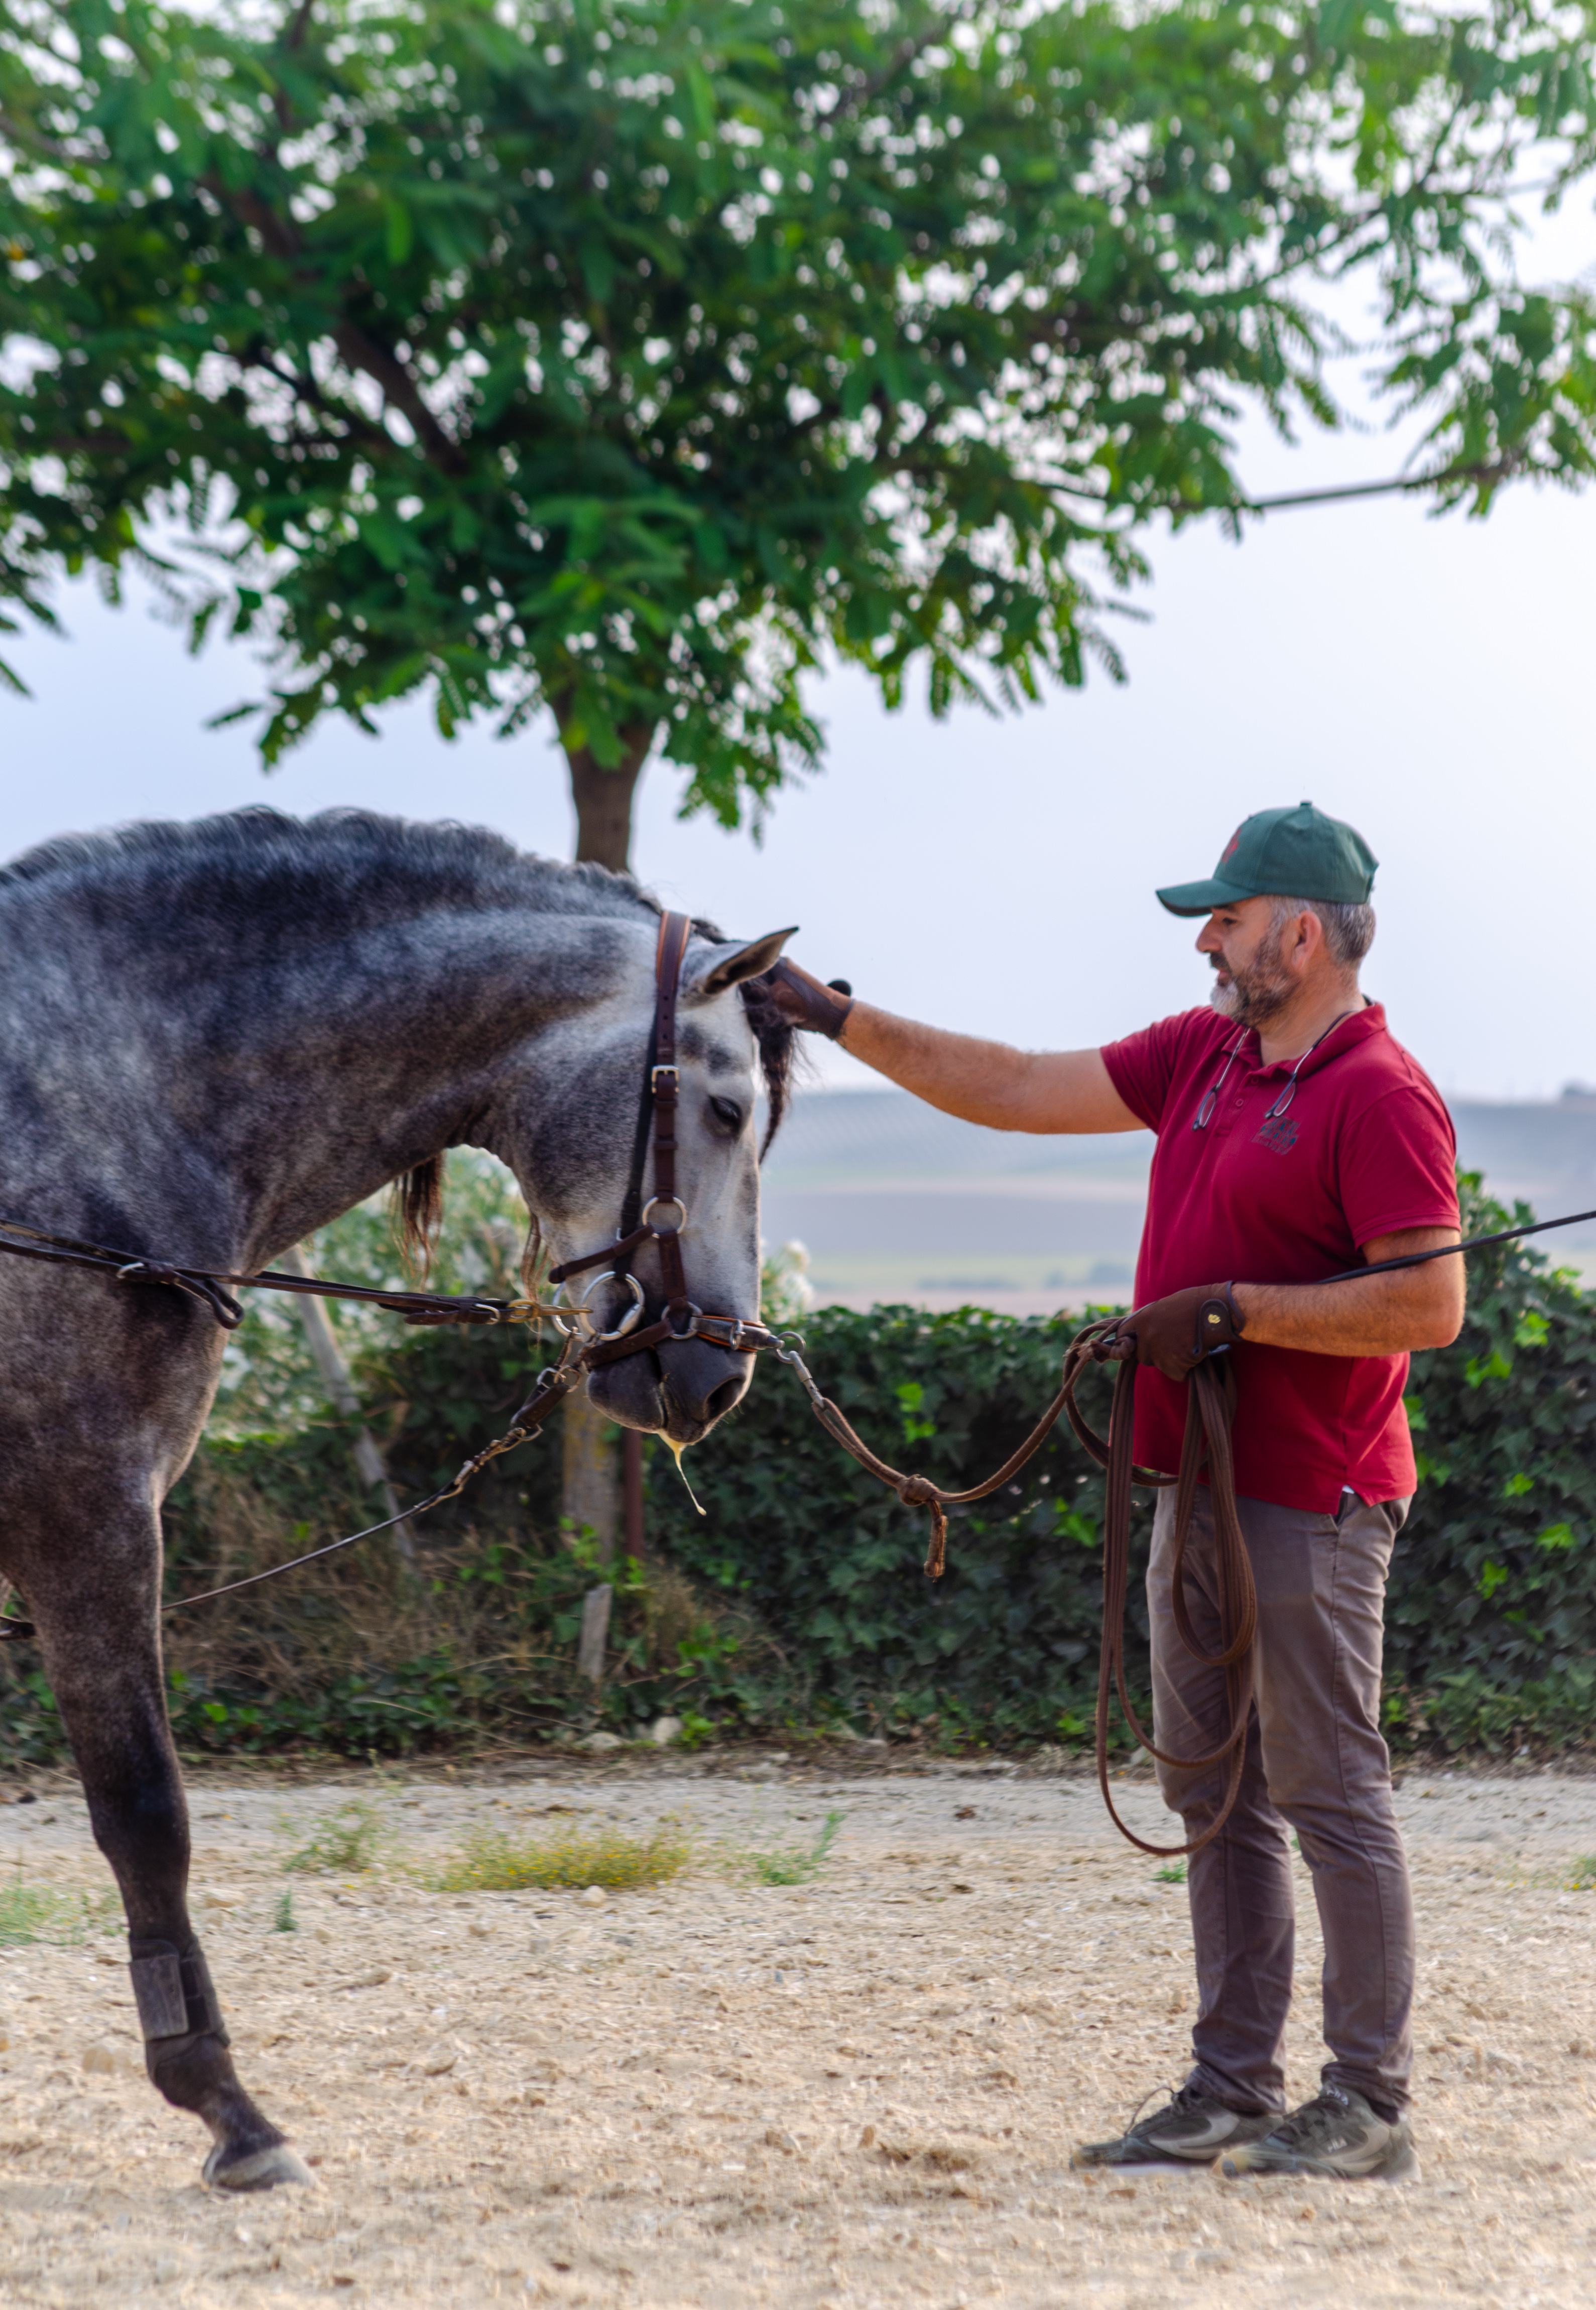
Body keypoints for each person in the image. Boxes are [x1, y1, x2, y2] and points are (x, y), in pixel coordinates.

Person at [766, 802, 1462, 2183]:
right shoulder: (1201, 1050)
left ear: (1301, 932)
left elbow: (1429, 1301)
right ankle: (1228, 2084)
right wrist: (833, 1016)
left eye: (1225, 913)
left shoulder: (1379, 1092)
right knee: (1209, 1788)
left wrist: (1239, 1313)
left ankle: (1368, 2100)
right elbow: (1020, 1083)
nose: (1204, 935)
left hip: (1310, 1497)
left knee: (1326, 1786)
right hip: (1192, 1487)